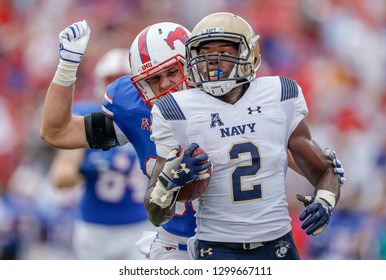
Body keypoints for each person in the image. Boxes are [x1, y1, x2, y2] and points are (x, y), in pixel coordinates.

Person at [146, 12, 343, 260]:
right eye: (205, 53)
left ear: (249, 54)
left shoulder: (279, 93)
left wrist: (324, 201)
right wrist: (168, 182)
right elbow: (155, 214)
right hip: (217, 248)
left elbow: (326, 170)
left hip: (278, 244)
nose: (213, 60)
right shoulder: (175, 109)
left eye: (224, 51)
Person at [40, 20, 197, 260]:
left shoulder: (223, 99)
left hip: (233, 238)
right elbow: (56, 132)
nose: (166, 84)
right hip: (171, 241)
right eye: (154, 78)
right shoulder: (134, 111)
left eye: (173, 71)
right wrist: (67, 66)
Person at [49, 48, 152, 260]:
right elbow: (61, 177)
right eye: (111, 80)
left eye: (126, 80)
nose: (119, 87)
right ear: (99, 83)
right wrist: (87, 168)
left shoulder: (154, 116)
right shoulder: (87, 116)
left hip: (141, 226)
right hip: (96, 229)